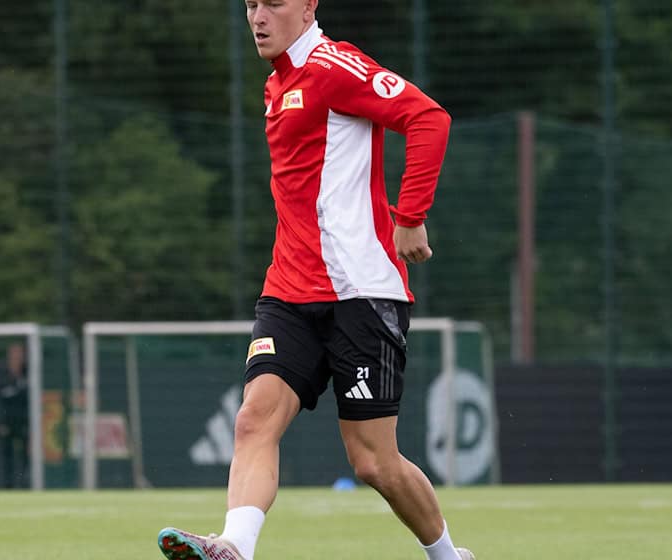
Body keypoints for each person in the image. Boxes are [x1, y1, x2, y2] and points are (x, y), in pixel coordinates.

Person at [157, 1, 474, 560]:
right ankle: (235, 547)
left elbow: (429, 118)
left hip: (362, 292)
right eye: (250, 4)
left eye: (273, 3)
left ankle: (450, 557)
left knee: (373, 461)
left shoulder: (333, 67)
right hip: (287, 291)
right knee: (254, 419)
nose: (258, 16)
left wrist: (411, 217)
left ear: (308, 6)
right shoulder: (277, 86)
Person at [0, 342, 30, 488]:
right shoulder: (3, 375)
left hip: (24, 421)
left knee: (25, 456)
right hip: (8, 421)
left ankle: (26, 484)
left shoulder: (29, 374)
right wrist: (1, 422)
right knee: (8, 455)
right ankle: (8, 485)